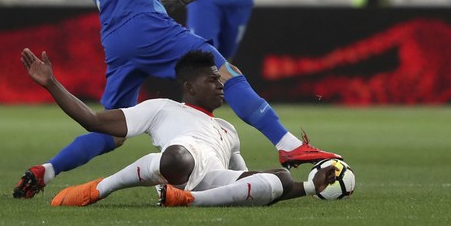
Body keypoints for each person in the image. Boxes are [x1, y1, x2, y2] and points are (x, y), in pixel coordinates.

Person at [0, 0, 340, 199]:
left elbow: (146, 3)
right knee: (225, 71)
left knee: (110, 130)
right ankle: (289, 146)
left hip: (119, 43)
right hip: (146, 30)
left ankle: (48, 170)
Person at [20, 48, 337, 207]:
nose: (220, 84)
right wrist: (52, 84)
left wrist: (311, 186)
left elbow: (243, 180)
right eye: (212, 79)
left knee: (280, 177)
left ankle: (187, 200)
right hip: (178, 163)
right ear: (190, 87)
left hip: (209, 181)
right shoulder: (161, 108)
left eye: (220, 79)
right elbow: (92, 120)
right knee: (179, 158)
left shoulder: (229, 129)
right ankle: (102, 187)